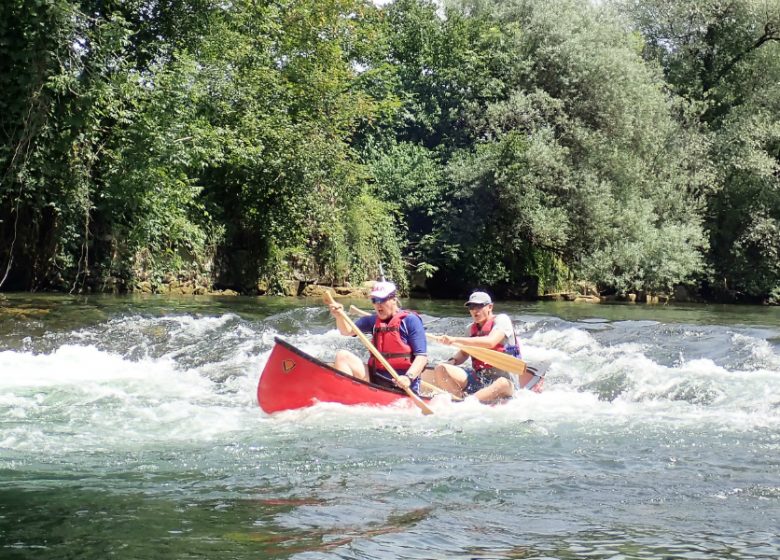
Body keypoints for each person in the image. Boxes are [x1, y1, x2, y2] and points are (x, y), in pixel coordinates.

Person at [433, 291, 543, 403]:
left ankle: (468, 403)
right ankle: (458, 398)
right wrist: (451, 362)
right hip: (480, 379)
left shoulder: (502, 320)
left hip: (507, 382)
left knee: (502, 383)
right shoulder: (470, 329)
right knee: (440, 368)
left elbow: (490, 342)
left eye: (479, 306)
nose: (475, 310)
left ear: (490, 307)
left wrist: (454, 340)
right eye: (471, 307)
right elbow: (464, 353)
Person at [327, 281, 428, 392]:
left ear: (394, 300)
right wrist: (339, 316)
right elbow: (347, 331)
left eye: (382, 300)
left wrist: (408, 377)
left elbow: (422, 357)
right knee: (342, 357)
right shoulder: (372, 321)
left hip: (403, 385)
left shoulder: (410, 320)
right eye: (374, 300)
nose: (378, 304)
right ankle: (345, 396)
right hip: (376, 379)